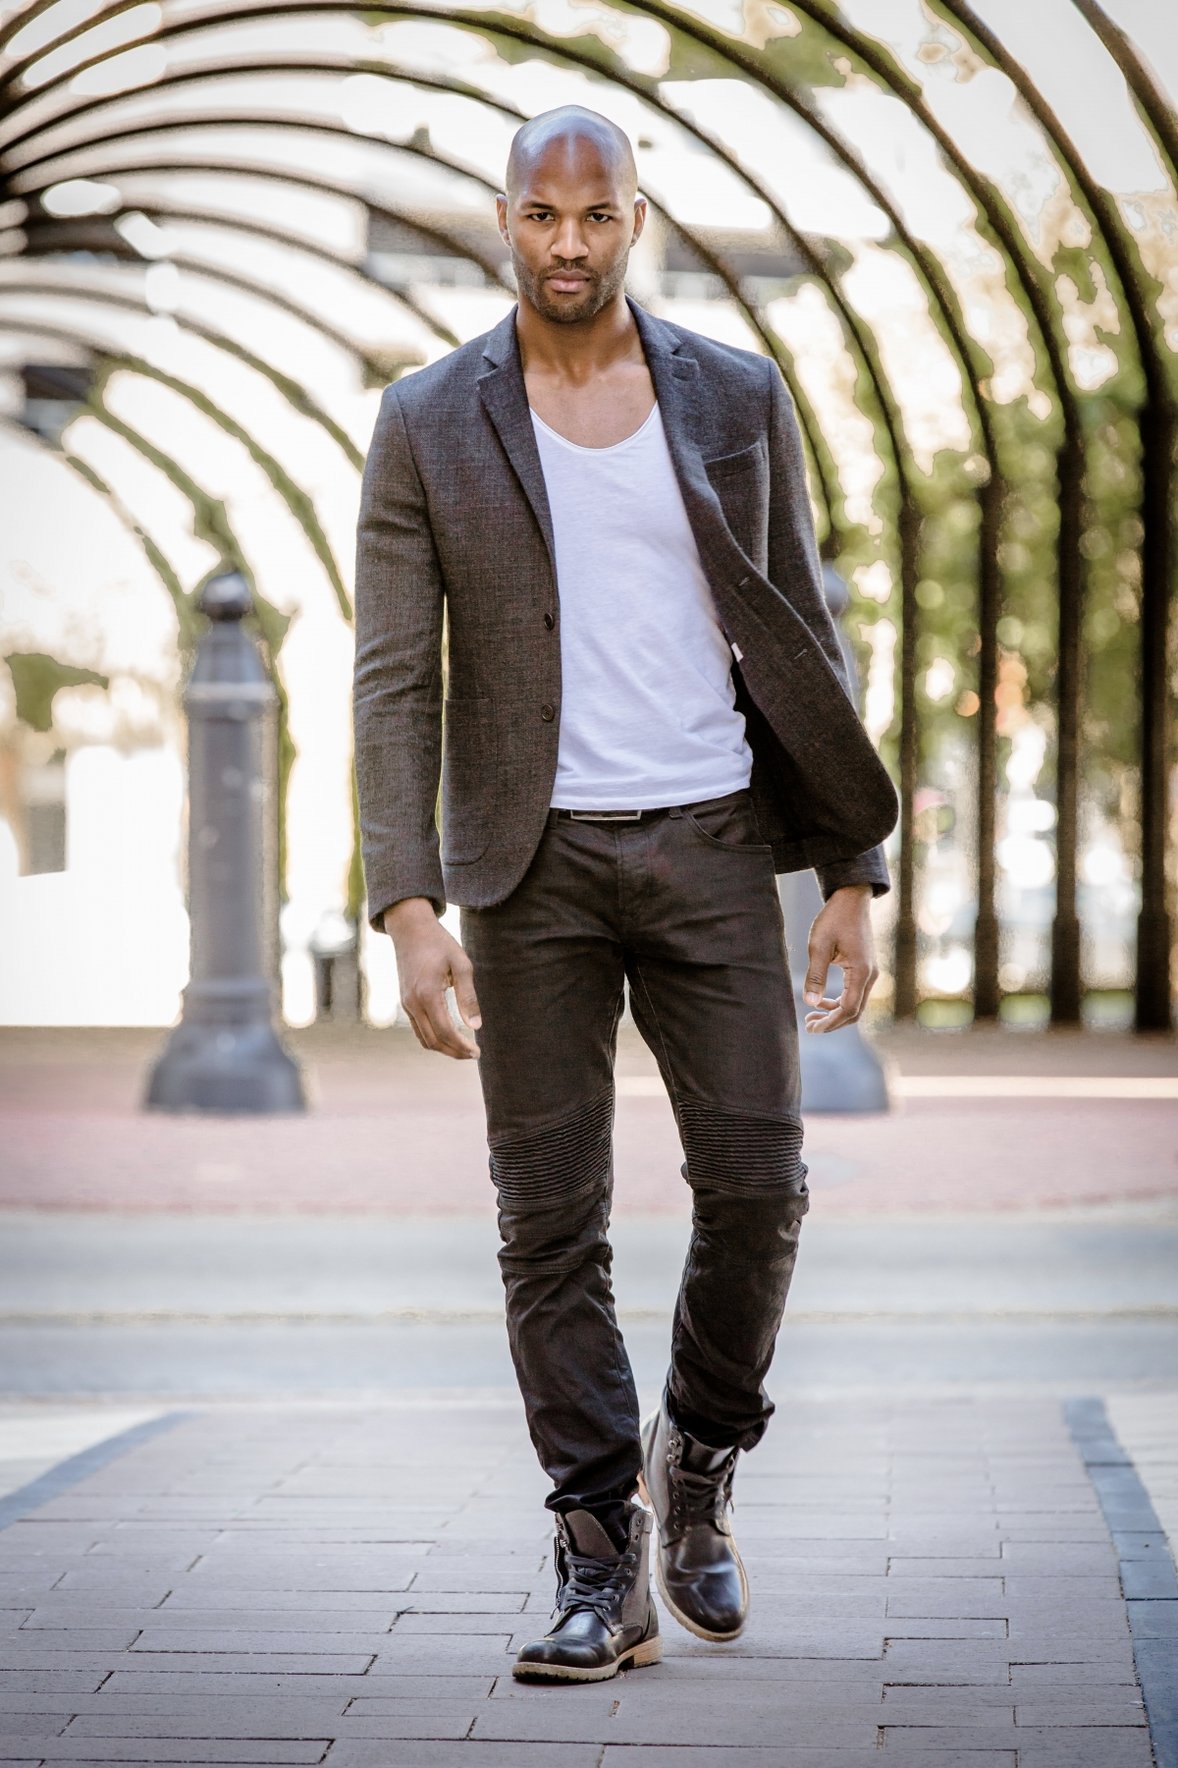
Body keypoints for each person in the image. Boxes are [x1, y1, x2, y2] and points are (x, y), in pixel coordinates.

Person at [353, 105, 899, 1684]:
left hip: (714, 840)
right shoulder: (426, 419)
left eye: (595, 215)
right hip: (526, 869)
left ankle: (700, 1457)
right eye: (542, 214)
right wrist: (406, 906)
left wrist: (849, 868)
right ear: (504, 220)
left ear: (635, 221)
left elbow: (798, 626)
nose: (568, 242)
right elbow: (393, 677)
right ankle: (598, 1553)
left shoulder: (732, 392)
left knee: (759, 1184)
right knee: (547, 1219)